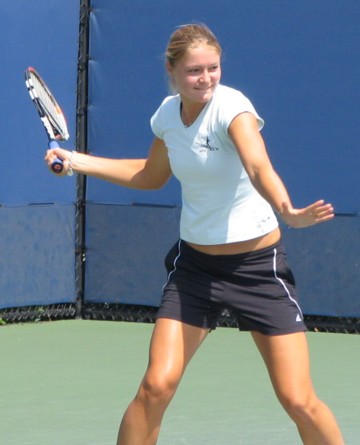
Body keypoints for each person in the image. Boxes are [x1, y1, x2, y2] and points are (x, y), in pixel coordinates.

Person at [45, 23, 344, 445]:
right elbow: (150, 175)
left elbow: (258, 166)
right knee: (155, 387)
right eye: (194, 71)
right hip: (196, 271)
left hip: (258, 269)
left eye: (213, 68)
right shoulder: (168, 115)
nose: (206, 79)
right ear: (172, 71)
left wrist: (287, 210)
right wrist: (75, 160)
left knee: (298, 399)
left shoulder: (233, 108)